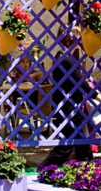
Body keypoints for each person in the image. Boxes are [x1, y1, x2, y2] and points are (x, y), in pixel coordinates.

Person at [38, 27, 95, 168]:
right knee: (67, 144)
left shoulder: (61, 56)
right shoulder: (67, 60)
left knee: (80, 140)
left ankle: (85, 166)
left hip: (67, 104)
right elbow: (82, 85)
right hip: (68, 106)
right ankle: (45, 168)